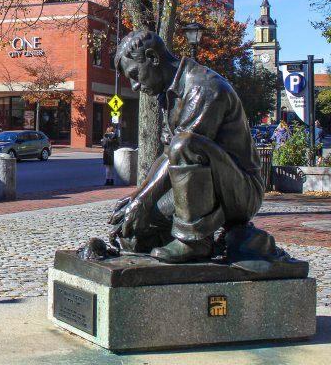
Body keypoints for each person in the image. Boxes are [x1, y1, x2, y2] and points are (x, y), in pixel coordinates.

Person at [110, 30, 265, 264]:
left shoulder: (204, 87)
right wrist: (138, 198)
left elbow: (183, 149)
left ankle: (195, 242)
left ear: (153, 57)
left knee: (185, 142)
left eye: (135, 74)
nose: (134, 86)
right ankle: (172, 235)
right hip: (200, 188)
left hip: (238, 192)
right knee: (134, 234)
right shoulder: (170, 93)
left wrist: (144, 199)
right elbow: (166, 154)